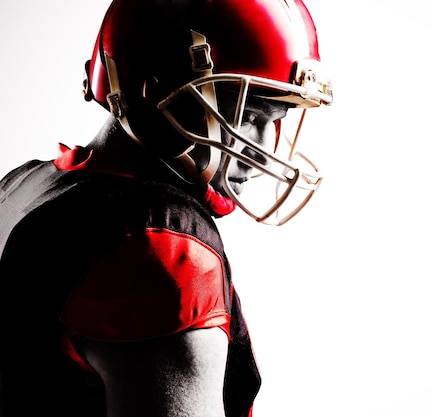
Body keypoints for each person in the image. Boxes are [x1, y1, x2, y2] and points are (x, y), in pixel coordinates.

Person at [0, 0, 332, 415]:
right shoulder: (159, 247)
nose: (265, 153)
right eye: (248, 114)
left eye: (277, 116)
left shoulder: (24, 183)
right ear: (155, 91)